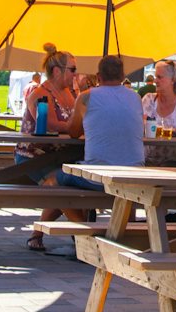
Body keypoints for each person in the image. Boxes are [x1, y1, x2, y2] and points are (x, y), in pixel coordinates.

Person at [29, 55, 146, 251]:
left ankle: (85, 232)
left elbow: (74, 131)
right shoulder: (135, 97)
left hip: (99, 177)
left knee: (53, 183)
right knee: (73, 177)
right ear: (123, 75)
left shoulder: (86, 96)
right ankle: (104, 235)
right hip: (134, 175)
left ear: (98, 76)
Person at [17, 44, 77, 183]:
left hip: (61, 156)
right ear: (57, 71)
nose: (75, 74)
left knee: (81, 182)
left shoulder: (69, 92)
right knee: (59, 185)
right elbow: (51, 126)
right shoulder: (40, 94)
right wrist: (75, 127)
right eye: (72, 69)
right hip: (34, 157)